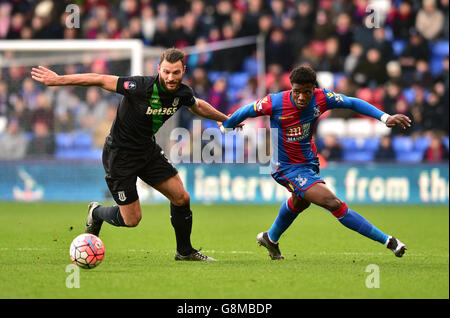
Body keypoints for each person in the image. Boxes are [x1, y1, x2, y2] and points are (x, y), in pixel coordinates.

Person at [31, 48, 239, 261]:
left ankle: (184, 251)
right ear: (159, 69)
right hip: (120, 156)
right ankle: (96, 212)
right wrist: (59, 80)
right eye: (166, 71)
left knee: (181, 197)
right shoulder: (140, 86)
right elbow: (100, 79)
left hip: (147, 151)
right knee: (131, 219)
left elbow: (198, 106)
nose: (170, 77)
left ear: (183, 70)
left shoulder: (182, 93)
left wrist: (225, 119)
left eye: (176, 72)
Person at [220, 65, 411, 260]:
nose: (301, 97)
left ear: (314, 89)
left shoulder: (322, 98)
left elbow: (352, 103)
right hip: (286, 168)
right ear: (291, 88)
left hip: (309, 163)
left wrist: (385, 117)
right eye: (297, 92)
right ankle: (389, 241)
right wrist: (226, 126)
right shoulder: (275, 102)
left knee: (300, 202)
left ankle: (271, 238)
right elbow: (247, 110)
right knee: (332, 202)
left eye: (307, 92)